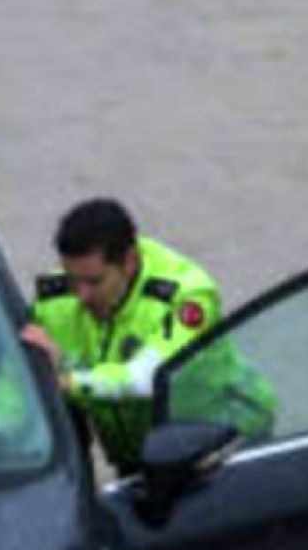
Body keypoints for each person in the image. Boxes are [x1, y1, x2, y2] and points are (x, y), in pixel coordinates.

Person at [21, 199, 273, 474]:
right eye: (72, 280)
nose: (81, 296)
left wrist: (64, 380)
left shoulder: (187, 296)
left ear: (130, 262)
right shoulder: (54, 302)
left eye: (94, 282)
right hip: (140, 458)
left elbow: (146, 378)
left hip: (228, 445)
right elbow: (13, 382)